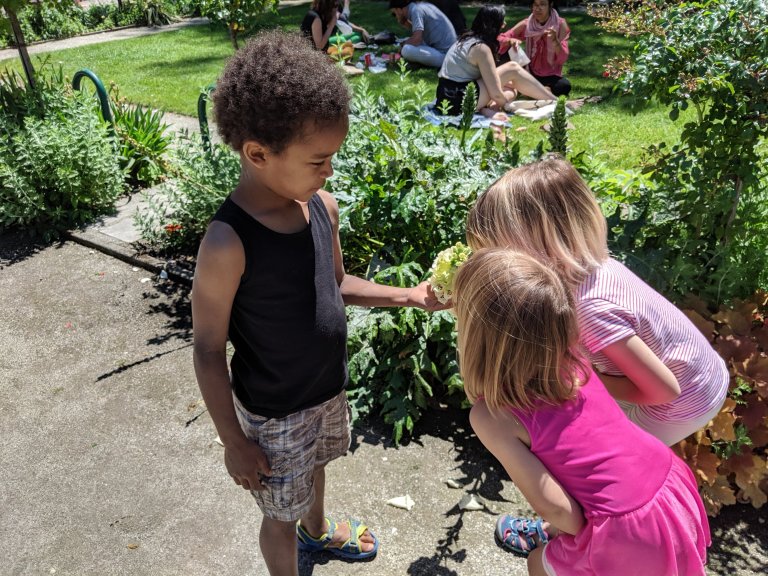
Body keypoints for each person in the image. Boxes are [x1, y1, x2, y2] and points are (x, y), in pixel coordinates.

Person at [193, 30, 441, 576]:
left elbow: (337, 284)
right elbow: (208, 350)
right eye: (318, 160)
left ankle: (318, 530)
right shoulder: (228, 243)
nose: (329, 172)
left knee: (317, 467)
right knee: (277, 514)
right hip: (274, 413)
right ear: (258, 154)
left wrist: (410, 296)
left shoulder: (321, 207)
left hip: (326, 390)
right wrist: (234, 442)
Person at [453, 248, 711, 574]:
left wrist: (583, 535)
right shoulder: (575, 359)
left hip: (624, 525)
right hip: (668, 482)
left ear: (475, 335)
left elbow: (557, 508)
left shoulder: (492, 417)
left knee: (539, 563)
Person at [436, 5, 554, 118]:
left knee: (511, 88)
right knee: (512, 68)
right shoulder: (481, 48)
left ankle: (489, 108)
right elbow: (496, 93)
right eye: (502, 21)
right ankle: (555, 101)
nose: (504, 24)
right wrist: (509, 106)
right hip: (458, 99)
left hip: (445, 96)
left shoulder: (466, 39)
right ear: (494, 25)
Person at [497, 0, 572, 96]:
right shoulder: (527, 24)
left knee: (564, 86)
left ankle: (527, 88)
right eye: (535, 5)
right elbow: (500, 38)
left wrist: (555, 41)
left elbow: (562, 58)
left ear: (550, 5)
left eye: (542, 4)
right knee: (506, 48)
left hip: (551, 73)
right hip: (528, 70)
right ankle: (539, 90)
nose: (538, 8)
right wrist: (510, 40)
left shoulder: (560, 24)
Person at [390, 0, 457, 68]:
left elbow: (417, 39)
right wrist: (405, 23)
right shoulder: (421, 6)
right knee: (406, 41)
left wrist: (402, 47)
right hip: (450, 51)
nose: (396, 17)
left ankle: (419, 63)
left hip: (445, 57)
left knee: (406, 50)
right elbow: (421, 32)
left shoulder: (416, 11)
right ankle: (419, 62)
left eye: (394, 14)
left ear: (399, 10)